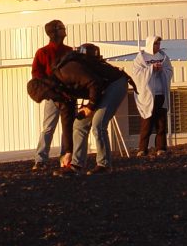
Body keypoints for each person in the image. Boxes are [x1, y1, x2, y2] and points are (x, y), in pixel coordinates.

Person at [54, 43, 130, 175]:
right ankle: (76, 165)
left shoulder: (70, 72)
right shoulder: (71, 72)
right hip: (104, 89)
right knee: (79, 123)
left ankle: (104, 165)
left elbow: (96, 84)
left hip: (116, 84)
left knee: (98, 124)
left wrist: (91, 105)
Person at [31, 20, 75, 173]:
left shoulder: (69, 51)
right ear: (53, 32)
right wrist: (51, 87)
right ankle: (41, 159)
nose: (64, 30)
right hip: (54, 96)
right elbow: (37, 74)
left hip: (66, 95)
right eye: (61, 28)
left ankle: (65, 157)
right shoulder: (43, 53)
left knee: (64, 128)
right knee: (50, 127)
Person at [131, 35, 173, 156]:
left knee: (161, 123)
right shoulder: (141, 57)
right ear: (150, 44)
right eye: (155, 44)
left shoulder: (163, 56)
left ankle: (161, 148)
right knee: (147, 123)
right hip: (148, 96)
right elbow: (137, 73)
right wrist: (151, 69)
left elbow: (169, 70)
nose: (158, 46)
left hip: (161, 94)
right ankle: (142, 149)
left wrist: (162, 71)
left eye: (159, 44)